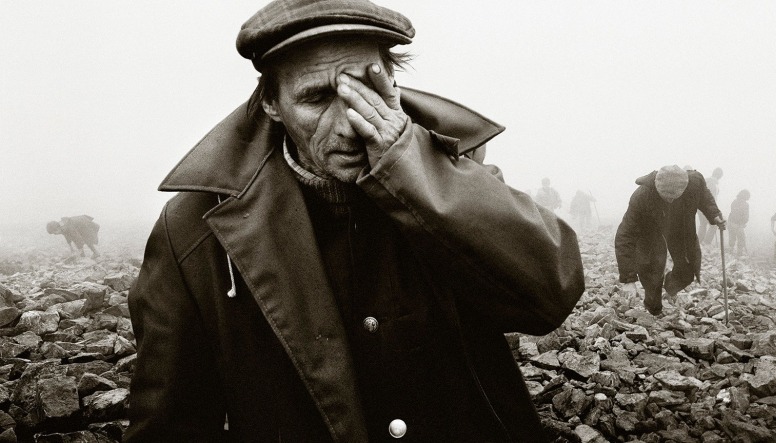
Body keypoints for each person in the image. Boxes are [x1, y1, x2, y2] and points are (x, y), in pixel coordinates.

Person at [125, 1, 585, 441]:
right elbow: (172, 422)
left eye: (365, 89)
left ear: (393, 83)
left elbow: (549, 295)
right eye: (316, 97)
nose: (348, 124)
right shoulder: (194, 228)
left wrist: (412, 167)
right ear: (271, 104)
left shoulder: (454, 171)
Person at [616, 165, 725, 316]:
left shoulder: (694, 182)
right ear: (657, 186)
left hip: (679, 229)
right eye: (665, 195)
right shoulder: (642, 196)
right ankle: (654, 310)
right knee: (651, 272)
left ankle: (670, 287)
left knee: (688, 268)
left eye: (674, 196)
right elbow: (625, 235)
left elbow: (704, 197)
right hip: (651, 232)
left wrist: (714, 214)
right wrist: (628, 278)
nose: (670, 200)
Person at [697, 167, 723, 246]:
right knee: (714, 225)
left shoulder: (706, 181)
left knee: (703, 225)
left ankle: (698, 243)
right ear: (719, 176)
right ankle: (706, 243)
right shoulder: (712, 183)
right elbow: (710, 197)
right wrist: (714, 209)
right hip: (707, 207)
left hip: (700, 207)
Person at [727, 189, 750, 255]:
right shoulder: (745, 204)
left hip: (731, 222)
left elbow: (732, 212)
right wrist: (743, 223)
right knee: (741, 239)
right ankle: (739, 254)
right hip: (739, 224)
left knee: (732, 238)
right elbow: (745, 216)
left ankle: (730, 252)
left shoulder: (734, 202)